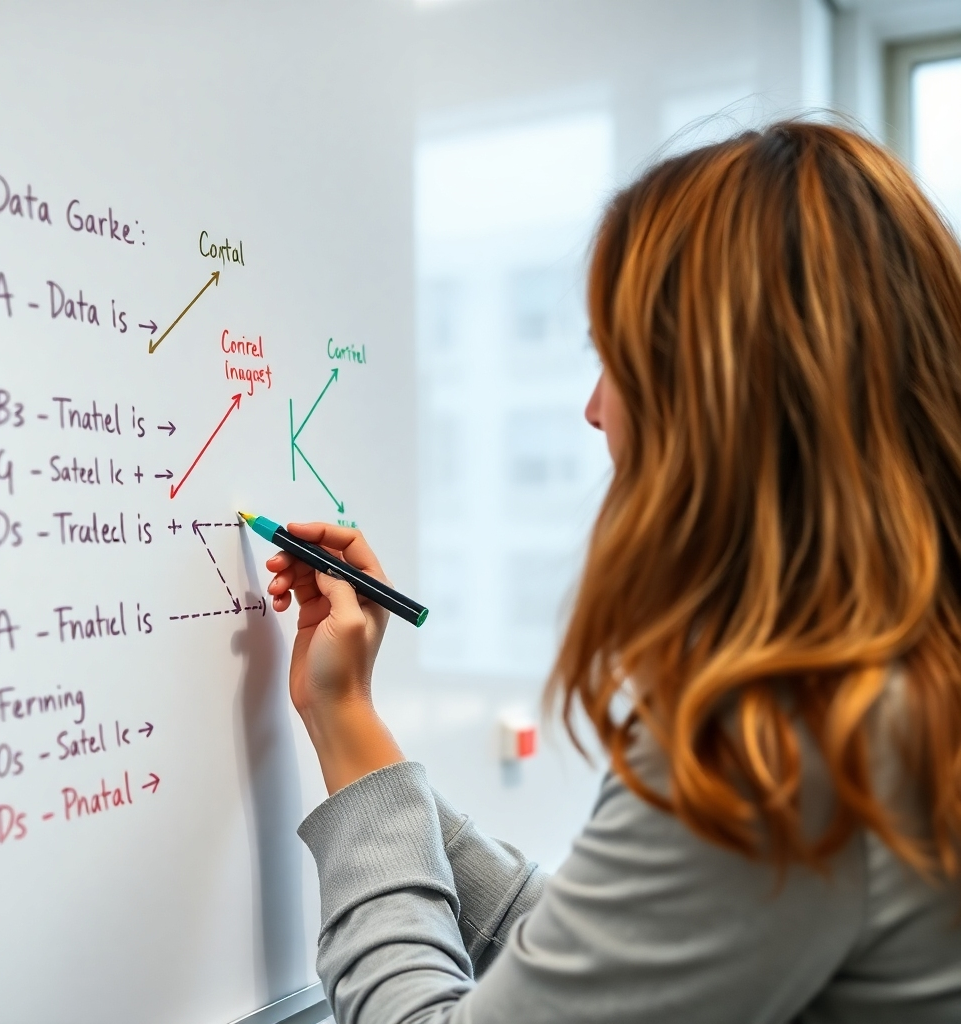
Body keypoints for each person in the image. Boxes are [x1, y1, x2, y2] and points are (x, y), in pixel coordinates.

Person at [264, 120, 961, 1023]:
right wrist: (359, 737)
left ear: (718, 395)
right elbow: (594, 947)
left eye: (618, 361)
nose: (594, 411)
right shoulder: (905, 678)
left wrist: (346, 720)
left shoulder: (787, 740)